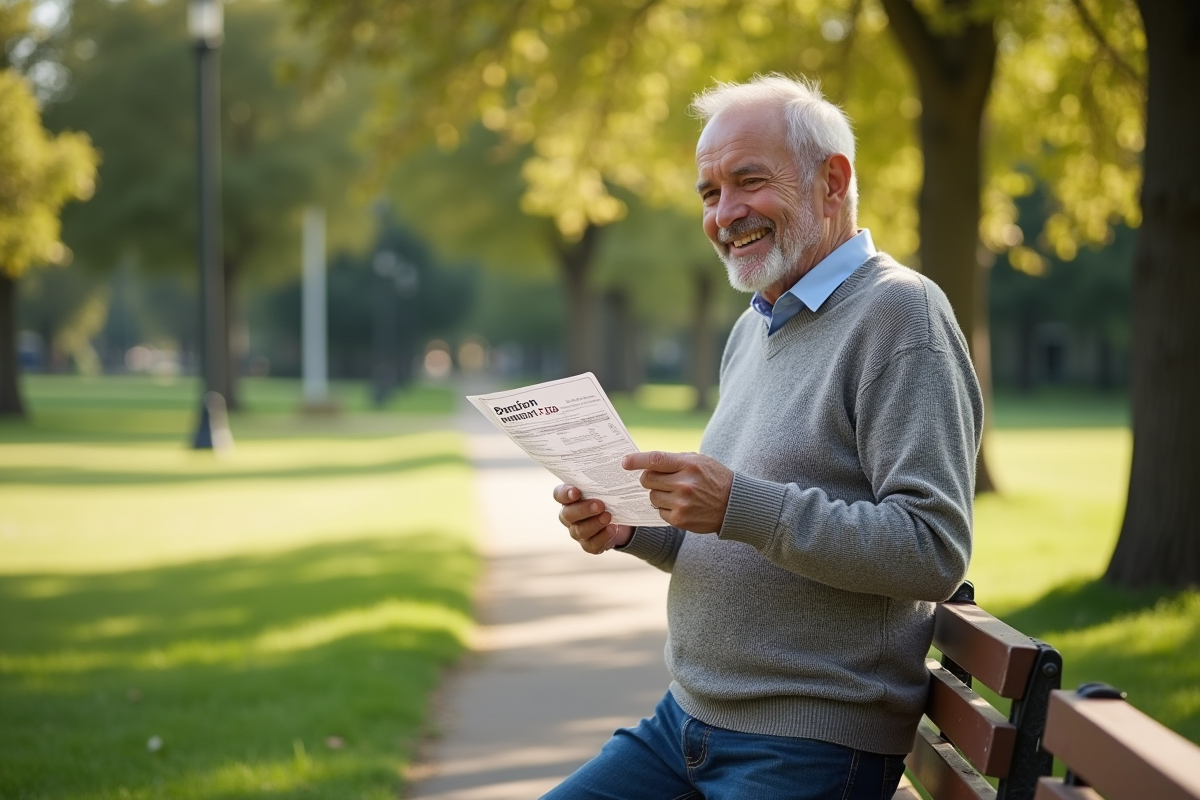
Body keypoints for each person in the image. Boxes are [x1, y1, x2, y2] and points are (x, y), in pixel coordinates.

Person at [548, 75, 983, 800]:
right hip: (684, 723)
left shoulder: (901, 316)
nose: (725, 214)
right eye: (709, 194)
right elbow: (733, 526)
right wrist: (632, 526)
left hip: (807, 742)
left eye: (748, 182)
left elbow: (930, 549)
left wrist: (739, 504)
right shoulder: (755, 326)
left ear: (831, 180)